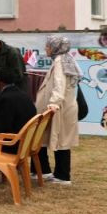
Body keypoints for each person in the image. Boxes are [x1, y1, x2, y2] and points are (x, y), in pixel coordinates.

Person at [35, 35, 80, 185]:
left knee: (61, 140)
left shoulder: (61, 61)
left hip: (60, 108)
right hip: (64, 107)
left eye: (48, 46)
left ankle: (62, 176)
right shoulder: (65, 59)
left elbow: (59, 84)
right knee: (60, 139)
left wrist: (53, 103)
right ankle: (53, 172)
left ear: (55, 48)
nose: (45, 48)